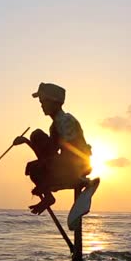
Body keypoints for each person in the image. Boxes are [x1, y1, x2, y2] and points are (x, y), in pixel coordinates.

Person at [13, 82, 92, 214]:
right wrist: (26, 141)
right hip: (64, 164)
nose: (42, 105)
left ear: (54, 102)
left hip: (77, 164)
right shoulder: (54, 125)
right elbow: (48, 156)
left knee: (36, 166)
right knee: (36, 143)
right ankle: (48, 197)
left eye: (44, 101)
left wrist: (47, 172)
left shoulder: (65, 120)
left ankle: (75, 180)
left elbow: (72, 152)